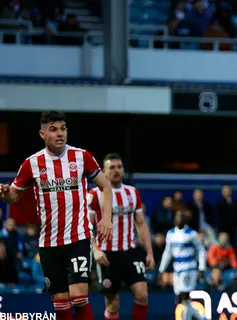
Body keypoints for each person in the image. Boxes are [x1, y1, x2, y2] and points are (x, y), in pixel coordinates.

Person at [0, 110, 113, 320]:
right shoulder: (32, 164)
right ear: (42, 134)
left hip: (78, 237)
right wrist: (6, 194)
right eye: (53, 129)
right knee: (60, 306)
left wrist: (106, 218)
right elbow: (13, 197)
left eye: (63, 128)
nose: (59, 133)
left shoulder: (82, 157)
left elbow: (105, 187)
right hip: (49, 243)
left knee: (80, 299)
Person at [87, 153, 154, 320]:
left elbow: (140, 223)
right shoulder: (95, 194)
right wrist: (95, 250)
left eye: (119, 167)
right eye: (112, 167)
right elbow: (86, 226)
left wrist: (150, 252)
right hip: (107, 255)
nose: (117, 171)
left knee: (142, 295)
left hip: (130, 252)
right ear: (103, 171)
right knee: (113, 304)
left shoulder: (132, 193)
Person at [159, 211, 206, 320]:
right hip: (177, 270)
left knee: (182, 296)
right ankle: (201, 318)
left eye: (181, 217)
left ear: (185, 220)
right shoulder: (170, 234)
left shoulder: (192, 234)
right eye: (177, 216)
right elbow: (167, 253)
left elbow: (201, 250)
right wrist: (161, 269)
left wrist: (201, 268)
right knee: (183, 300)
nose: (179, 219)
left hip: (190, 269)